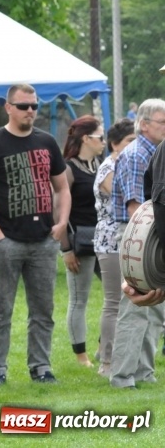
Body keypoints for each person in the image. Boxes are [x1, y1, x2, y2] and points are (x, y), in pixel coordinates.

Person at [0, 84, 71, 385]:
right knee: (1, 310)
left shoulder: (47, 142)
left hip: (43, 240)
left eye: (34, 106)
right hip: (7, 241)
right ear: (8, 107)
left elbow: (62, 187)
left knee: (43, 310)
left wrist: (62, 222)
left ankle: (41, 366)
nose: (30, 111)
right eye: (24, 106)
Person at [108, 99, 165, 389]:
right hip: (137, 236)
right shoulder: (135, 154)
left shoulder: (154, 151)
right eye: (162, 122)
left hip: (152, 236)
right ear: (144, 124)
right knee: (134, 306)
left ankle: (144, 371)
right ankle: (122, 376)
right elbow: (136, 209)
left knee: (155, 306)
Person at [59, 116, 103, 368]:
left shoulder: (100, 165)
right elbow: (59, 211)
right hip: (80, 242)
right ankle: (81, 356)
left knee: (117, 294)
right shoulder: (68, 168)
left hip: (105, 241)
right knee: (79, 299)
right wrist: (66, 249)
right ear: (86, 138)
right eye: (100, 137)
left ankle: (103, 346)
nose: (104, 142)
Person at [93, 118, 136, 376]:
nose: (133, 146)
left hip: (128, 239)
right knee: (113, 302)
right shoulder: (109, 166)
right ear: (114, 144)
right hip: (110, 240)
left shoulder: (126, 164)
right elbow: (121, 196)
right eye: (129, 141)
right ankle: (106, 362)